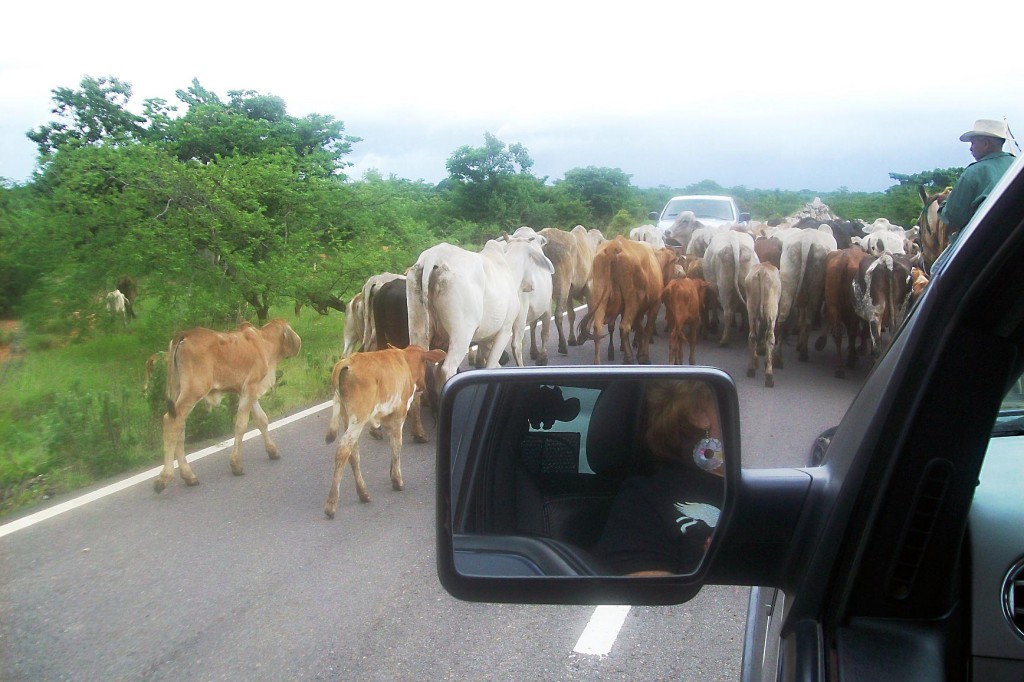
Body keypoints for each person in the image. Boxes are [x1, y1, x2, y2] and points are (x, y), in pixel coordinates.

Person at [592, 380, 725, 576]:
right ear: (698, 413)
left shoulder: (765, 494)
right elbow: (648, 598)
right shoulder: (645, 499)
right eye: (725, 398)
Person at [939, 119, 1016, 237]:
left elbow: (953, 217)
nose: (971, 149)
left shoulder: (973, 173)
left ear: (986, 144)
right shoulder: (1017, 165)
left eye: (973, 143)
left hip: (986, 243)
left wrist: (943, 204)